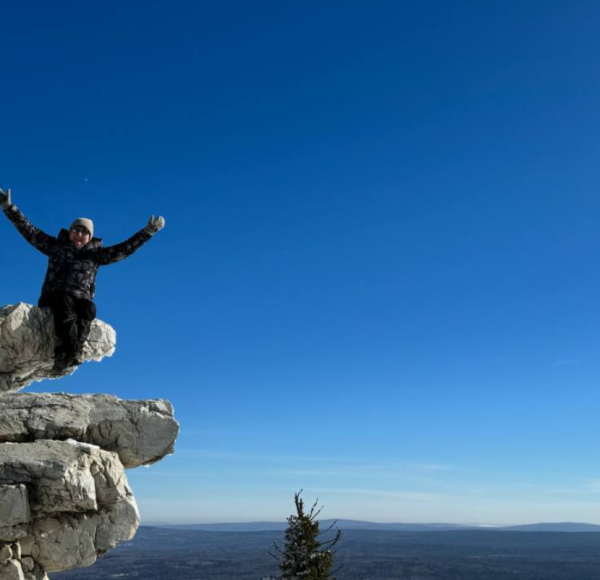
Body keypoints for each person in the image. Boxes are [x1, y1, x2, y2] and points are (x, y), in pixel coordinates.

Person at [0, 187, 165, 371]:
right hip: (55, 296)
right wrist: (9, 208)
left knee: (89, 308)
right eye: (76, 230)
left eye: (84, 232)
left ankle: (67, 352)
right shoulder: (56, 247)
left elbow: (124, 249)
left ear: (89, 237)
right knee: (65, 302)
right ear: (70, 232)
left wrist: (147, 232)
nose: (79, 234)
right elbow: (29, 231)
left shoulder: (96, 255)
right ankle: (73, 350)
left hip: (81, 299)